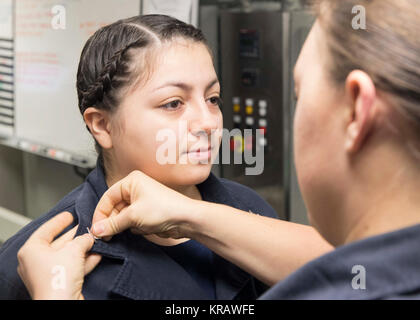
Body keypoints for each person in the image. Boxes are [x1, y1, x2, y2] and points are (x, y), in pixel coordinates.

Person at [16, 0, 420, 300]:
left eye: (213, 98)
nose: (209, 124)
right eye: (173, 103)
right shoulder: (38, 263)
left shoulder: (248, 208)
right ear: (102, 125)